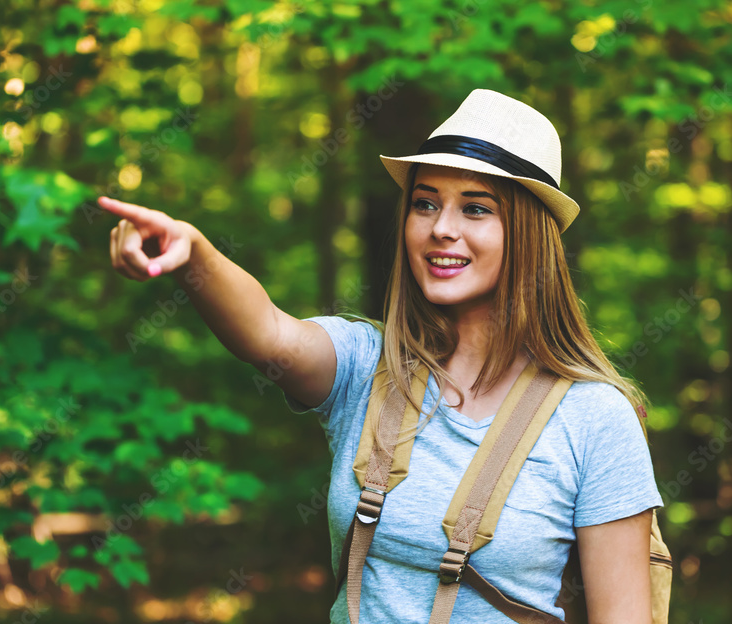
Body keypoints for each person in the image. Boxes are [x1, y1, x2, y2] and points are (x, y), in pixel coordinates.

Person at [101, 88, 663, 623]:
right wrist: (193, 255)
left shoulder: (594, 419)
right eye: (425, 203)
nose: (441, 229)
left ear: (528, 233)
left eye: (475, 209)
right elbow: (269, 333)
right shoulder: (368, 365)